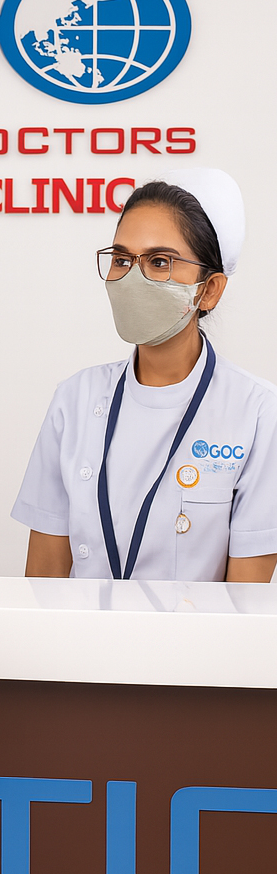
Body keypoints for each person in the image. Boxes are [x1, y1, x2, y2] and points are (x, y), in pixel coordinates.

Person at [15, 168, 277, 582]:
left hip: (197, 646)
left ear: (209, 289)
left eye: (159, 262)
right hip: (78, 643)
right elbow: (43, 581)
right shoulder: (75, 399)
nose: (132, 277)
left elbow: (244, 600)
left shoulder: (259, 413)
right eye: (122, 259)